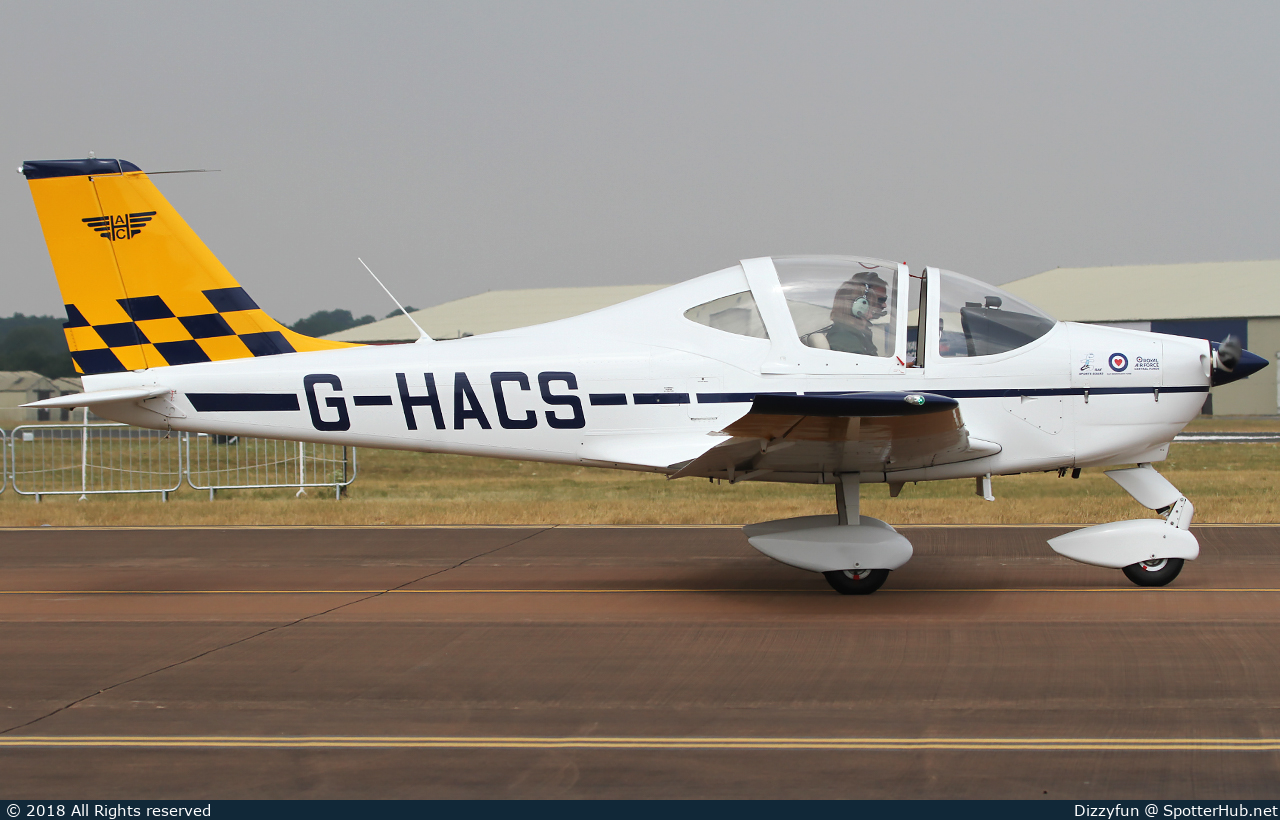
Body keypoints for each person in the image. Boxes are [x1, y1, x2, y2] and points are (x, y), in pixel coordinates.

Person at [803, 271, 889, 356]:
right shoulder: (847, 343)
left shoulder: (853, 335)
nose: (870, 315)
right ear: (858, 308)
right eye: (869, 309)